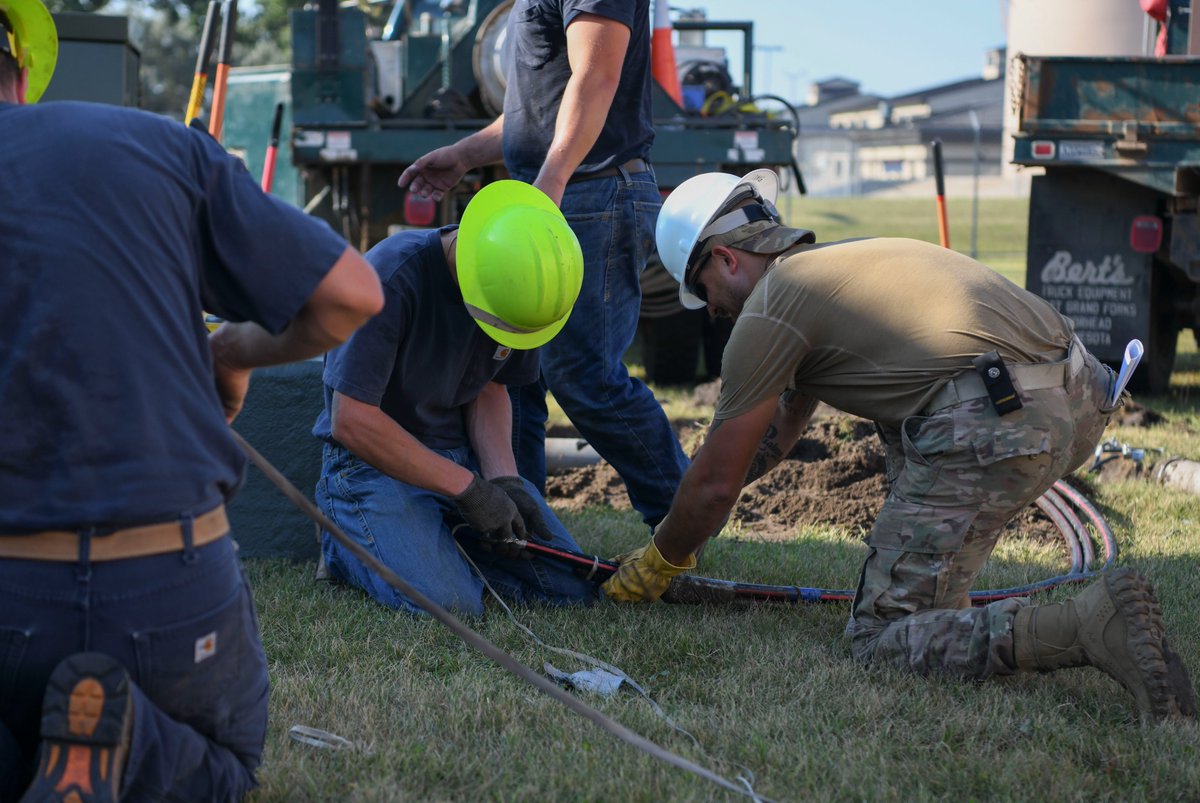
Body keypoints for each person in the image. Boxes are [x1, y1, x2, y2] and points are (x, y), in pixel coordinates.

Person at [601, 168, 1197, 721]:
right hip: (1075, 396)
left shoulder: (770, 310)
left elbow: (717, 484)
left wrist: (660, 561)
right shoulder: (831, 272)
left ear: (727, 258)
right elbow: (775, 437)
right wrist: (701, 484)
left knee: (881, 639)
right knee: (930, 602)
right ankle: (948, 616)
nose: (711, 310)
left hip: (997, 419)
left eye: (703, 289)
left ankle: (1090, 624)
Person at [0, 1, 385, 799]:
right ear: (25, 70)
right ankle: (133, 747)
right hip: (173, 585)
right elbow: (351, 295)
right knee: (225, 763)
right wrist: (231, 351)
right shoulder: (156, 147)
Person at [398, 0, 689, 530]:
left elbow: (596, 77)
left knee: (586, 379)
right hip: (567, 195)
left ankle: (686, 519)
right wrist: (465, 153)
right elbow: (538, 110)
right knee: (513, 377)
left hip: (591, 193)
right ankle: (523, 532)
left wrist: (547, 187)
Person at [313, 180, 599, 615]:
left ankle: (434, 546)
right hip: (369, 467)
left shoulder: (528, 288)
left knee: (571, 592)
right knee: (453, 605)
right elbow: (351, 421)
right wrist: (468, 490)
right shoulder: (387, 279)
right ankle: (343, 543)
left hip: (456, 458)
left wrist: (504, 481)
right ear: (470, 277)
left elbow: (489, 387)